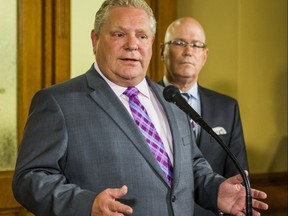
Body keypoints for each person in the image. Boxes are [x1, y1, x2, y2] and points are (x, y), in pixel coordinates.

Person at [12, 0, 268, 215]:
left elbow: (191, 166)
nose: (132, 44)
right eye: (119, 34)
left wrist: (216, 190)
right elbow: (30, 178)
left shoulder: (172, 99)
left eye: (142, 36)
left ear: (151, 42)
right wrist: (85, 204)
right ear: (95, 39)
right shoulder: (59, 101)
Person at [158, 17, 250, 216]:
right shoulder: (146, 103)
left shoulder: (227, 107)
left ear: (205, 55)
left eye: (196, 45)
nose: (189, 51)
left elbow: (238, 174)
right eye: (179, 43)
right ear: (162, 51)